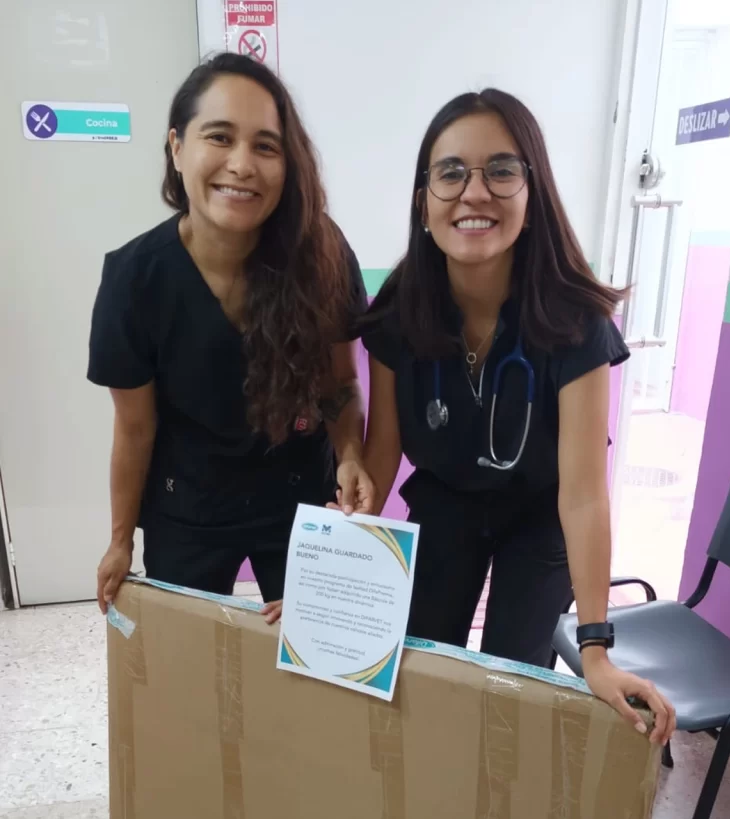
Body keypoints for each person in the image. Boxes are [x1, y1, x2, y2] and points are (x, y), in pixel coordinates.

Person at [360, 89, 675, 744]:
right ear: (423, 202)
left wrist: (595, 650)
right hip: (446, 503)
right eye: (451, 172)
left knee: (513, 684)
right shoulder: (400, 307)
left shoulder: (574, 319)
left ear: (533, 195)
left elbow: (583, 495)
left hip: (541, 513)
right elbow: (380, 456)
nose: (474, 192)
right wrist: (334, 576)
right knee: (423, 666)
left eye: (501, 170)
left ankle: (494, 795)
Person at [88, 53, 373, 620]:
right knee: (186, 657)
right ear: (177, 147)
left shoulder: (322, 255)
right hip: (187, 501)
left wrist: (350, 455)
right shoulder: (134, 279)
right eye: (219, 137)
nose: (242, 165)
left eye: (266, 146)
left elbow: (339, 384)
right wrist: (120, 540)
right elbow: (135, 428)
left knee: (315, 653)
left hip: (299, 494)